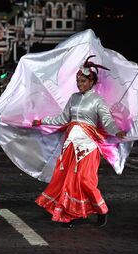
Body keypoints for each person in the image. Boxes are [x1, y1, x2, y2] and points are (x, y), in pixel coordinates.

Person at [32, 56, 126, 227]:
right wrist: (43, 121)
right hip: (71, 144)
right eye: (77, 81)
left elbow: (107, 121)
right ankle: (68, 215)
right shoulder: (74, 98)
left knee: (85, 180)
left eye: (83, 81)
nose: (79, 84)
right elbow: (62, 118)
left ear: (91, 81)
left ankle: (101, 209)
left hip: (89, 145)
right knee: (67, 179)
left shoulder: (98, 100)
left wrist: (117, 131)